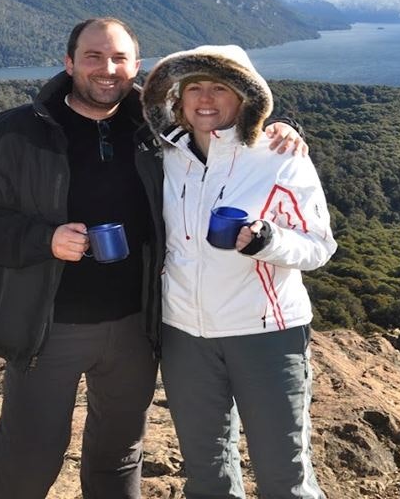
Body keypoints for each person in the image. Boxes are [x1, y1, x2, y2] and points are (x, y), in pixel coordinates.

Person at [0, 18, 305, 499]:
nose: (106, 69)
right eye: (93, 56)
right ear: (69, 62)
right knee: (30, 453)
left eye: (119, 59)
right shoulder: (17, 133)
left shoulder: (156, 129)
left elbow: (223, 130)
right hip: (47, 325)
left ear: (137, 68)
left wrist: (282, 129)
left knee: (118, 455)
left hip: (137, 326)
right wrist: (43, 239)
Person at [141, 44, 336, 499]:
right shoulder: (165, 155)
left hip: (266, 333)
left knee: (283, 474)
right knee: (207, 474)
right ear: (178, 99)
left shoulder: (280, 156)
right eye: (194, 87)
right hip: (184, 335)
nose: (205, 98)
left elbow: (319, 246)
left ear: (246, 98)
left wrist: (269, 241)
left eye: (220, 87)